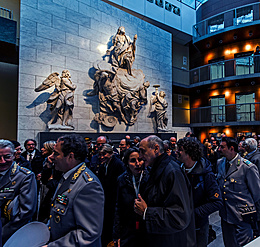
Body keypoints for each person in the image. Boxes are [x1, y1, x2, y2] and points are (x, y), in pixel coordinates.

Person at [134, 135, 196, 247]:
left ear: (156, 149)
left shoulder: (172, 172)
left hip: (172, 241)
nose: (141, 156)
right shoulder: (155, 169)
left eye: (143, 151)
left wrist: (146, 212)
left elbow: (179, 216)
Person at [43, 134, 104, 247]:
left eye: (56, 153)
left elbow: (88, 233)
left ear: (70, 157)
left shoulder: (88, 185)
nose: (51, 157)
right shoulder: (67, 176)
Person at [176, 137, 223, 247]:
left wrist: (193, 214)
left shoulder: (206, 174)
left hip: (198, 227)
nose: (176, 152)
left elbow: (217, 202)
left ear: (190, 153)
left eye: (180, 150)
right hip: (179, 225)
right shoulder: (177, 170)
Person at [217, 137, 260, 246]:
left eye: (222, 147)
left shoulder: (247, 167)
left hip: (242, 216)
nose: (219, 149)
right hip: (225, 215)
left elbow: (256, 193)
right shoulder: (220, 163)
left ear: (232, 148)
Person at [0, 139, 37, 244]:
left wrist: (1, 234)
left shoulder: (25, 176)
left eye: (7, 157)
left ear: (13, 155)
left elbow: (25, 212)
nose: (2, 161)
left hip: (9, 235)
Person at [113, 147, 149, 247]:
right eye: (133, 161)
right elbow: (118, 208)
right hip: (128, 228)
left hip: (147, 228)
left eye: (140, 160)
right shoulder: (122, 180)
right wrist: (117, 234)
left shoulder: (150, 177)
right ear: (127, 163)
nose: (138, 164)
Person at [97, 144, 125, 246]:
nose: (101, 157)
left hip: (114, 200)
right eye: (100, 155)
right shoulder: (103, 166)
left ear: (111, 153)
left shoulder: (118, 164)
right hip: (106, 201)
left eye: (104, 154)